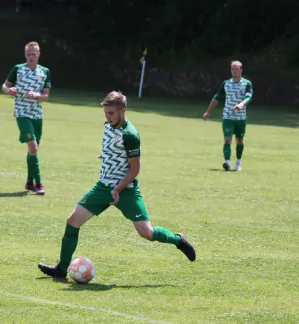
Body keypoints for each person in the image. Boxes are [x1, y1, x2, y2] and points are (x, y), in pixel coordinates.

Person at [38, 91, 196, 279]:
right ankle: (61, 269)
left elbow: (135, 169)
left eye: (111, 113)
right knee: (73, 221)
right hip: (102, 187)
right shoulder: (108, 126)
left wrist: (118, 189)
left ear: (122, 111)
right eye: (105, 113)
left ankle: (178, 240)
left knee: (146, 232)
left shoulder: (130, 135)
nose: (107, 116)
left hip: (126, 190)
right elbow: (112, 148)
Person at [2, 41, 51, 195]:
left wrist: (37, 95)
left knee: (33, 150)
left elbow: (46, 95)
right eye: (28, 54)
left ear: (38, 55)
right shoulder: (18, 69)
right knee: (33, 147)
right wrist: (9, 90)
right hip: (22, 113)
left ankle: (29, 182)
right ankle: (39, 184)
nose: (31, 56)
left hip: (37, 114)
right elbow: (4, 86)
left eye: (34, 54)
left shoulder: (44, 72)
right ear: (25, 55)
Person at [203, 61, 253, 171]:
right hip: (227, 116)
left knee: (239, 140)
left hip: (241, 118)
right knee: (227, 140)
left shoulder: (247, 83)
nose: (234, 71)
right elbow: (217, 98)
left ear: (241, 70)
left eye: (236, 69)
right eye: (232, 69)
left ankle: (238, 163)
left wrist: (241, 104)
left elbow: (249, 97)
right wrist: (208, 112)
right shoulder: (226, 84)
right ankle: (227, 162)